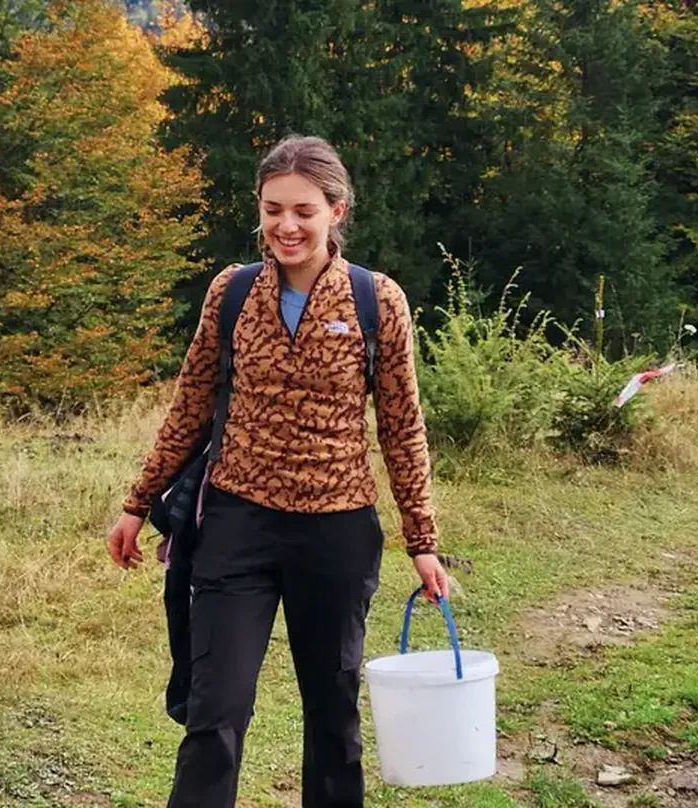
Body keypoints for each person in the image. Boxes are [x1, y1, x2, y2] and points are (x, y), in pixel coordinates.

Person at [105, 134, 447, 808]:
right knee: (215, 712)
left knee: (332, 715)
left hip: (337, 533)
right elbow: (190, 404)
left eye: (303, 211)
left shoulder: (377, 301)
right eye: (272, 210)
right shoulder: (231, 292)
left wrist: (423, 540)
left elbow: (402, 426)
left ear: (336, 212)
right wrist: (137, 503)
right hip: (237, 525)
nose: (286, 226)